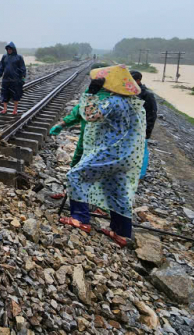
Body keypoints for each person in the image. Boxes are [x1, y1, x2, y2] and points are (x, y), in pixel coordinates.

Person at [61, 65, 146, 248]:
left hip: (110, 152)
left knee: (75, 175)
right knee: (116, 190)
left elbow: (91, 115)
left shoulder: (114, 101)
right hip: (126, 155)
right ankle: (121, 233)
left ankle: (80, 218)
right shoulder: (134, 103)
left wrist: (91, 93)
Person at [49, 87, 112, 167]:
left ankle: (75, 174)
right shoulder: (118, 100)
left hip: (86, 139)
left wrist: (61, 125)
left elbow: (76, 113)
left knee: (80, 160)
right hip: (111, 143)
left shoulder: (90, 98)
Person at [130, 70, 158, 179]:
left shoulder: (147, 95)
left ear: (138, 80)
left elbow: (152, 115)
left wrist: (147, 132)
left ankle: (140, 174)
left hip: (142, 128)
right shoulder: (129, 92)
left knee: (142, 151)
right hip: (131, 128)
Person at [0, 42, 26, 114]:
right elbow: (1, 67)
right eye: (7, 49)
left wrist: (23, 78)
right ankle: (5, 109)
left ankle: (15, 110)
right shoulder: (4, 57)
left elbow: (23, 68)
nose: (9, 50)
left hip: (15, 79)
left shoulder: (19, 57)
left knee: (16, 94)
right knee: (4, 94)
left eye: (10, 49)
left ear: (13, 49)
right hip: (6, 79)